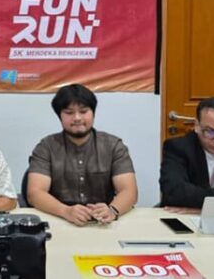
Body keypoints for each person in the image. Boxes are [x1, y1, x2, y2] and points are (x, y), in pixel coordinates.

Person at [26, 84, 138, 226]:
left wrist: (112, 210)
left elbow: (129, 191)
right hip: (60, 220)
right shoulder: (46, 147)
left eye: (83, 111)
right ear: (60, 116)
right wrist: (66, 211)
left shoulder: (113, 146)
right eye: (69, 113)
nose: (77, 118)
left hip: (103, 222)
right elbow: (35, 193)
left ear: (93, 113)